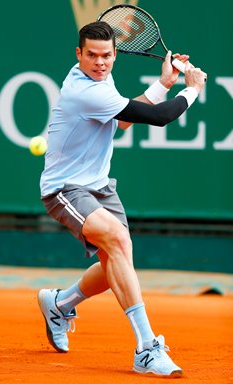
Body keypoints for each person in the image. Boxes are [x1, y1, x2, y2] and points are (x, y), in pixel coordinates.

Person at [38, 21, 206, 377]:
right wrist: (191, 91)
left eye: (107, 56)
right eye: (92, 55)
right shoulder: (86, 90)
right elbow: (159, 118)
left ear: (115, 54)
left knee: (119, 259)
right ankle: (147, 348)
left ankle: (60, 303)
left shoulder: (102, 80)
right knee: (115, 240)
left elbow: (121, 123)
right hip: (64, 189)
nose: (100, 63)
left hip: (99, 185)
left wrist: (164, 83)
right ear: (78, 54)